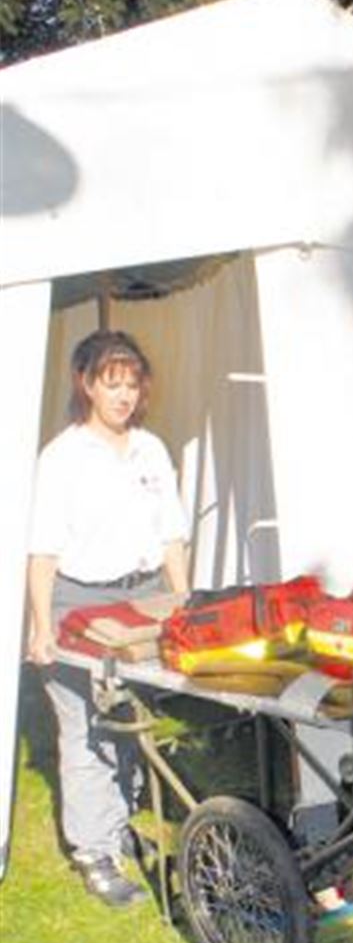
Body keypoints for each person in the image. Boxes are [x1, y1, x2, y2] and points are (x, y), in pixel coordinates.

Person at [27, 329, 189, 907]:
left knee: (128, 719)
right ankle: (94, 851)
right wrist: (43, 627)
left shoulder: (151, 449)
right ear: (87, 385)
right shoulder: (62, 456)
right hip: (78, 605)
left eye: (132, 383)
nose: (123, 395)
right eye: (111, 383)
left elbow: (171, 533)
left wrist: (183, 603)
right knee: (86, 727)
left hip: (140, 599)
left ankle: (119, 822)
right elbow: (42, 548)